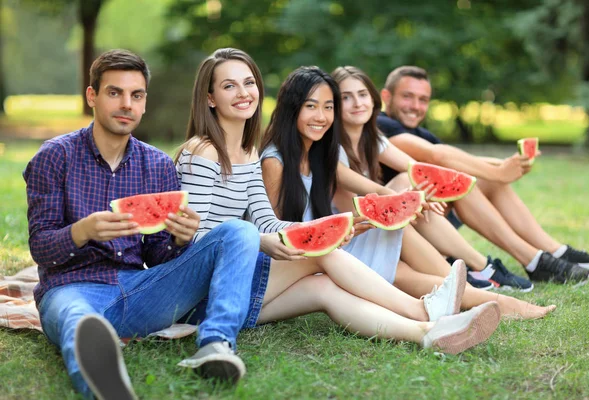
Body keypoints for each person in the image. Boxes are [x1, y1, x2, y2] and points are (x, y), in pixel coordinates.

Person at [175, 48, 501, 359]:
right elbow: (191, 241)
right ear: (209, 98)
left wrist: (328, 229)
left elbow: (268, 224)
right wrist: (268, 242)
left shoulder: (247, 154)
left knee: (323, 289)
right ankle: (424, 309)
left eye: (248, 83)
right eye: (229, 86)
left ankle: (428, 331)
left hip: (234, 290)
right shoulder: (203, 153)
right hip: (207, 293)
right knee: (325, 256)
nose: (243, 93)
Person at [23, 49, 263, 400]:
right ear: (92, 96)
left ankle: (214, 345)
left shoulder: (158, 165)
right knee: (79, 320)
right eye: (114, 93)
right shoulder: (55, 156)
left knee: (241, 231)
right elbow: (40, 246)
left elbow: (158, 257)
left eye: (136, 95)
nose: (126, 104)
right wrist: (82, 231)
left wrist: (180, 240)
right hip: (72, 289)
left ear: (144, 102)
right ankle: (105, 385)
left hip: (140, 291)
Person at [259, 63, 554, 320]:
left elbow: (389, 183)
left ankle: (496, 300)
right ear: (292, 107)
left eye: (327, 107)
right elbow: (269, 229)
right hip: (316, 256)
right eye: (312, 106)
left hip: (344, 243)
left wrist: (407, 201)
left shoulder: (323, 151)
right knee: (402, 242)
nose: (322, 116)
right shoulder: (279, 159)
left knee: (414, 264)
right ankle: (489, 288)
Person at [376, 65, 589, 284]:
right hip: (398, 226)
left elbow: (460, 158)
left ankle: (554, 251)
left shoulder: (421, 133)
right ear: (387, 96)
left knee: (488, 182)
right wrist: (498, 171)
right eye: (407, 96)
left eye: (423, 99)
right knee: (460, 178)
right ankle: (532, 259)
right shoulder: (380, 124)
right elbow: (437, 156)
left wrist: (508, 165)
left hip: (431, 218)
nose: (415, 106)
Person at [331, 65, 533, 292]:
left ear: (373, 98)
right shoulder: (333, 151)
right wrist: (407, 200)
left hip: (386, 226)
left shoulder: (373, 140)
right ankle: (479, 269)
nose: (358, 103)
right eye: (346, 97)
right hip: (351, 240)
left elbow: (417, 169)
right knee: (405, 191)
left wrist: (423, 193)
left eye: (362, 95)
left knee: (412, 182)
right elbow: (353, 215)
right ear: (333, 106)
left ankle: (480, 268)